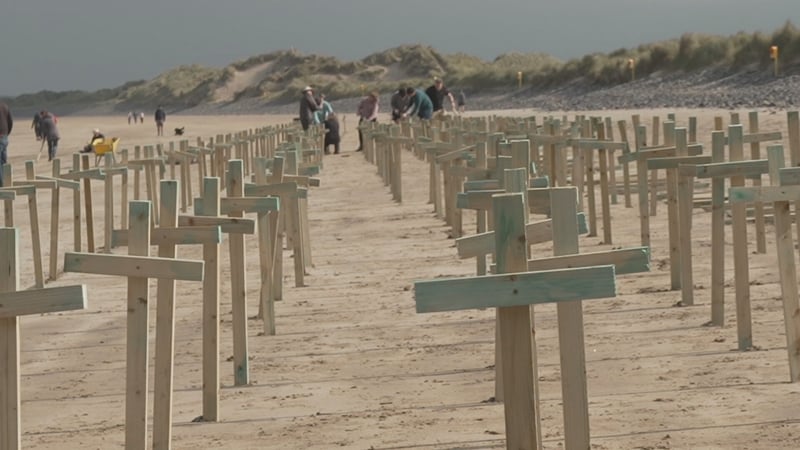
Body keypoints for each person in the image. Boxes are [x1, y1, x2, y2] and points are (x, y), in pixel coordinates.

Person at [0, 102, 12, 187]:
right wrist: (6, 134)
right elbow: (10, 122)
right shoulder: (4, 106)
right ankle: (6, 181)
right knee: (3, 161)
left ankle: (2, 184)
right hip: (4, 137)